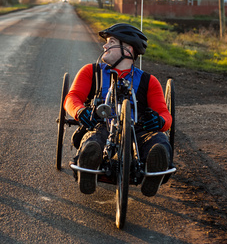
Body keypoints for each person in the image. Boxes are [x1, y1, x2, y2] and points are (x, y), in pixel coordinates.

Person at [64, 23, 173, 196]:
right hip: (101, 125)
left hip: (138, 130)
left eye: (111, 42)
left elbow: (165, 115)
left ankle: (153, 174)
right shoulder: (91, 71)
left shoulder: (148, 81)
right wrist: (79, 111)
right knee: (93, 140)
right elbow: (72, 97)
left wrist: (159, 121)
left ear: (128, 49)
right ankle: (87, 170)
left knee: (158, 141)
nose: (104, 46)